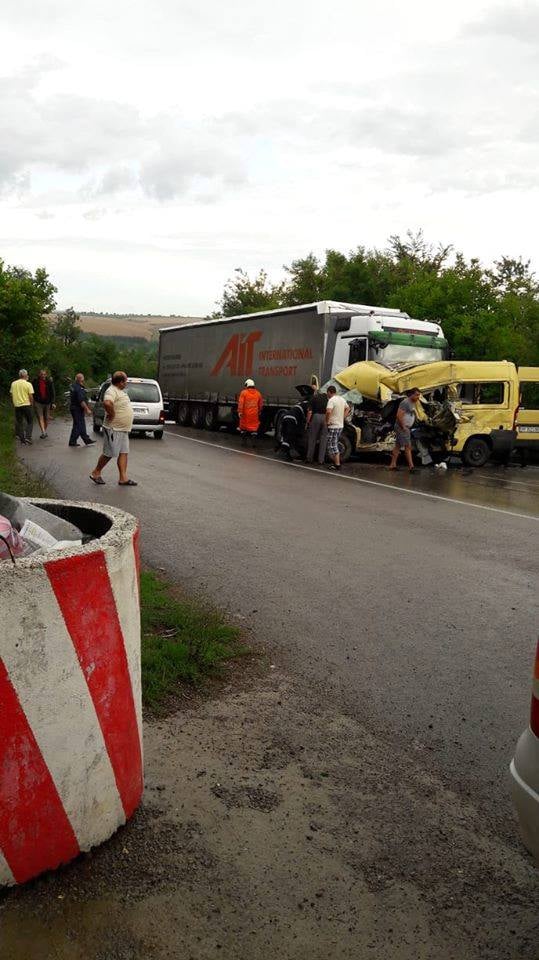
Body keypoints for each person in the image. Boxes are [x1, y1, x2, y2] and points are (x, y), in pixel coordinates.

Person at [90, 371, 137, 486]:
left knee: (124, 452)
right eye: (125, 381)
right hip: (113, 429)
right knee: (109, 453)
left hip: (123, 429)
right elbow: (107, 403)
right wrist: (112, 414)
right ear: (120, 382)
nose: (126, 383)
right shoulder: (111, 390)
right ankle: (96, 472)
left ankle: (123, 478)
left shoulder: (119, 391)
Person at [388, 388, 421, 473]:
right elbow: (399, 415)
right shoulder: (405, 402)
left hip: (405, 427)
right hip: (402, 427)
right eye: (417, 395)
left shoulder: (412, 403)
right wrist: (403, 427)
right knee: (408, 446)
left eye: (419, 395)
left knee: (397, 446)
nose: (418, 397)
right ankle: (411, 467)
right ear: (412, 395)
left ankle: (392, 465)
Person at [325, 385, 350, 471]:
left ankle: (337, 464)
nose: (326, 394)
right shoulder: (341, 399)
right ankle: (335, 463)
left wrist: (327, 421)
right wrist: (343, 417)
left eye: (327, 393)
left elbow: (328, 412)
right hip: (340, 425)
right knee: (334, 443)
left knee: (332, 445)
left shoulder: (331, 400)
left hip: (333, 425)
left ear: (329, 392)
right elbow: (348, 408)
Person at [68, 373, 96, 447]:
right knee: (79, 425)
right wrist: (87, 409)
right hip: (77, 409)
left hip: (75, 408)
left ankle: (75, 441)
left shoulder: (74, 386)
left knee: (78, 425)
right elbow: (81, 400)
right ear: (81, 379)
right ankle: (85, 440)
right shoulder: (78, 388)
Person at [10, 369, 34, 444]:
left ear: (19, 375)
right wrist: (31, 404)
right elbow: (30, 396)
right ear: (26, 375)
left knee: (19, 422)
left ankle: (22, 439)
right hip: (26, 404)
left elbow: (11, 394)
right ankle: (28, 437)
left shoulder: (13, 383)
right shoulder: (28, 384)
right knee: (30, 421)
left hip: (17, 405)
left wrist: (14, 401)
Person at [237, 378, 263, 447]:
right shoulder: (258, 393)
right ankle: (254, 443)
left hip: (245, 414)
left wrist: (240, 412)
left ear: (247, 385)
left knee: (243, 428)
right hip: (254, 415)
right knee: (254, 428)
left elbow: (241, 403)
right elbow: (260, 404)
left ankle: (244, 442)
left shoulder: (244, 393)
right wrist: (259, 411)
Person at [305, 388, 328, 464]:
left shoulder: (314, 398)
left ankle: (309, 458)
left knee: (312, 438)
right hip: (325, 417)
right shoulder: (328, 399)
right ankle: (321, 460)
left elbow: (310, 411)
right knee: (324, 439)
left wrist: (307, 422)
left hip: (316, 417)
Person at [32, 369, 55, 438]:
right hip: (38, 402)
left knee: (47, 418)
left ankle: (44, 431)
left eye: (44, 374)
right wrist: (33, 400)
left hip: (47, 402)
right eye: (41, 374)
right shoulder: (35, 381)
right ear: (39, 374)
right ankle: (43, 432)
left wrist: (53, 402)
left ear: (46, 375)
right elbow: (31, 391)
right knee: (40, 417)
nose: (43, 376)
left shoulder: (49, 382)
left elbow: (52, 393)